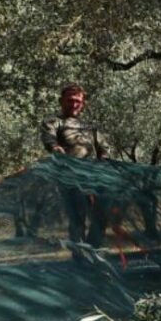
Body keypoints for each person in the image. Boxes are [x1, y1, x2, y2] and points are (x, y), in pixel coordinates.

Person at [40, 83, 110, 250]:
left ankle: (93, 252)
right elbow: (50, 141)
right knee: (78, 218)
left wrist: (104, 161)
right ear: (61, 101)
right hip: (69, 178)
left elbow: (104, 148)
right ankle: (80, 258)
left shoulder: (90, 126)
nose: (74, 104)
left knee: (102, 216)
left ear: (83, 103)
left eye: (78, 101)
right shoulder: (53, 122)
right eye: (70, 100)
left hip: (94, 177)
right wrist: (56, 149)